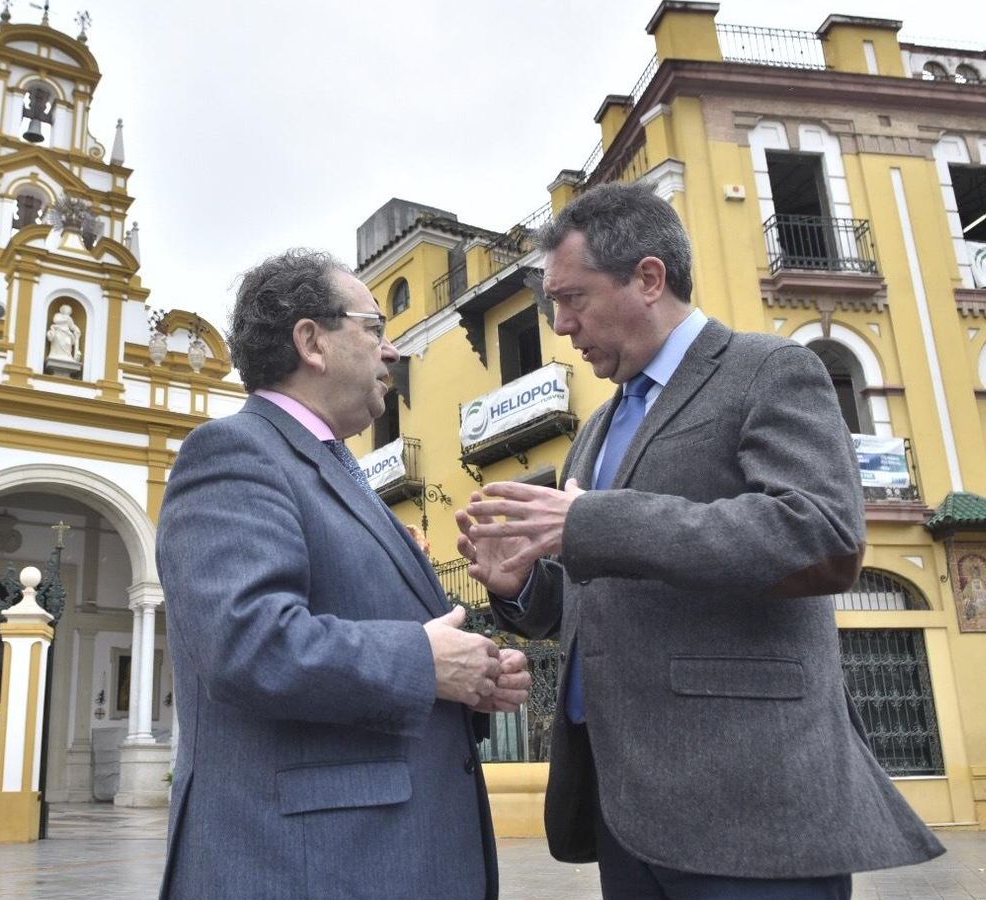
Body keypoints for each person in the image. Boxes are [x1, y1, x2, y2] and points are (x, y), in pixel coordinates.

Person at [456, 184, 944, 899]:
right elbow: (604, 593)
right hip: (625, 803)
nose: (561, 325)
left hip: (750, 804)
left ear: (649, 279)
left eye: (573, 298)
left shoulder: (768, 370)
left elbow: (822, 536)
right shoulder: (595, 430)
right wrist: (523, 585)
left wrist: (591, 523)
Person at [156, 249, 528, 899]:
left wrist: (471, 677)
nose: (392, 351)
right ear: (312, 342)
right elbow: (246, 642)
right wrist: (424, 662)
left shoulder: (333, 471)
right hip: (305, 867)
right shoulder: (234, 453)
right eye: (374, 328)